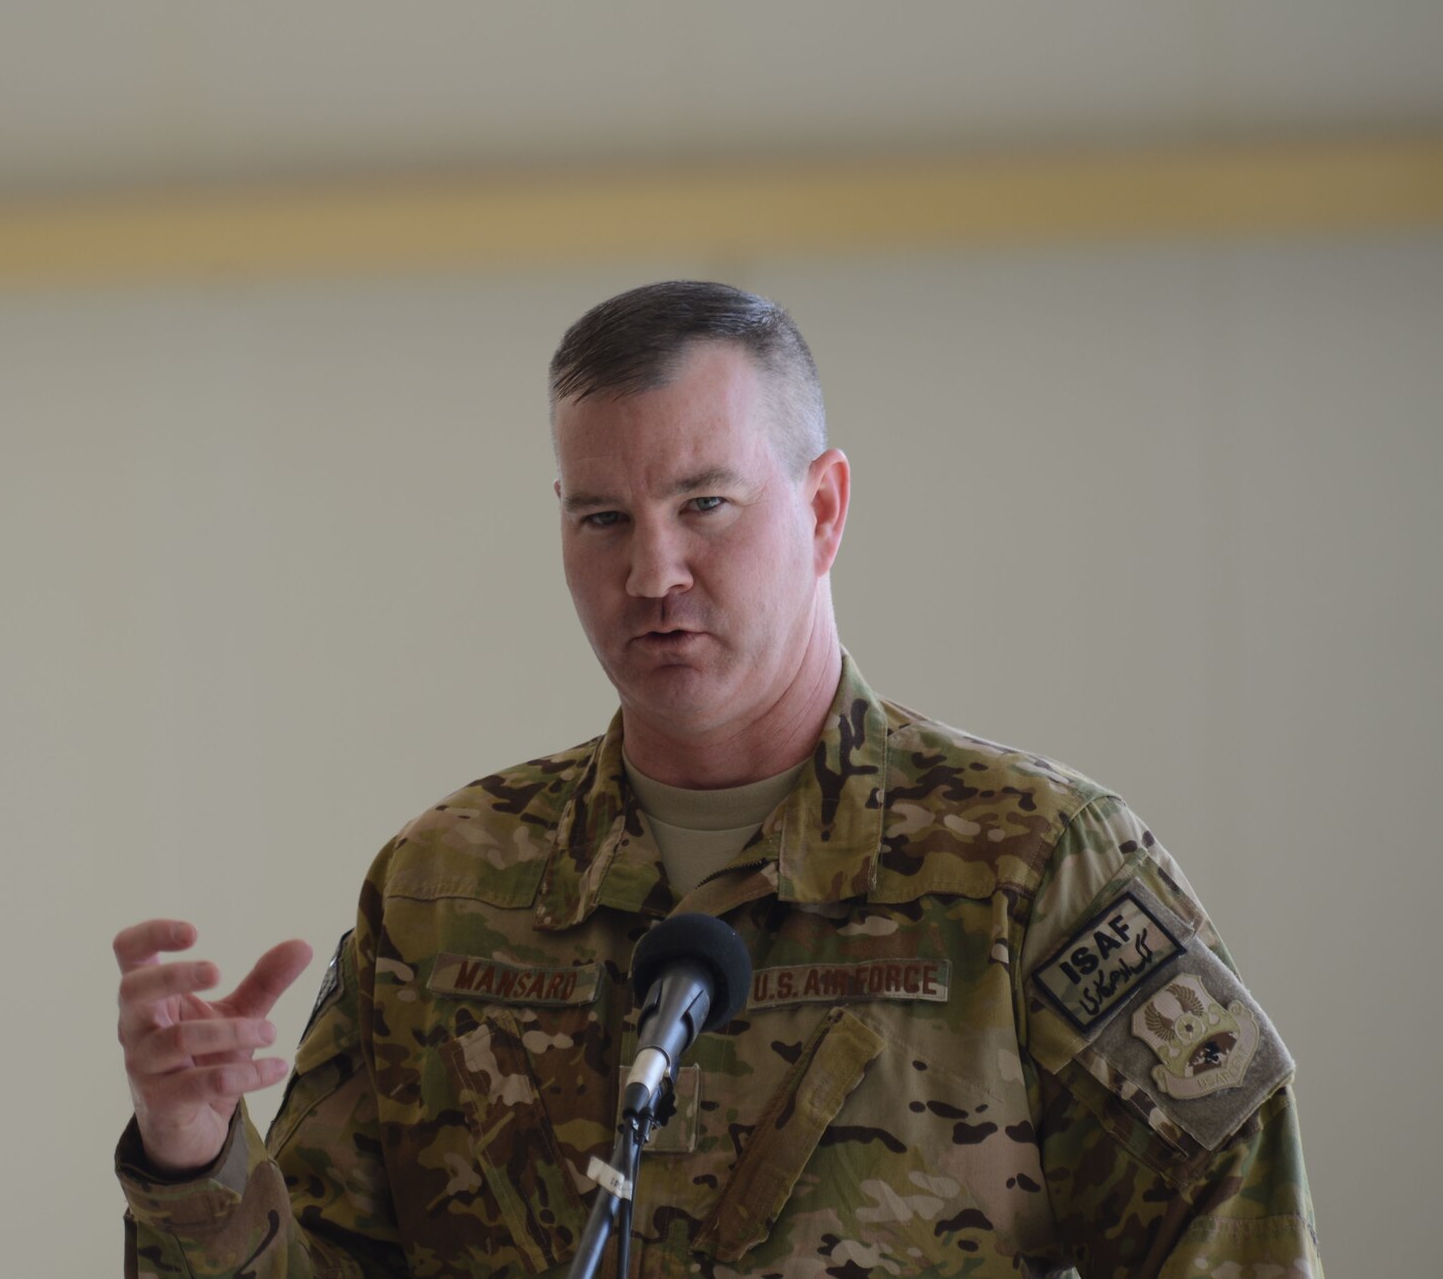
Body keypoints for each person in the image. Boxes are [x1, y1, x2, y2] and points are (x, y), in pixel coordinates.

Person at [111, 282, 1322, 1277]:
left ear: (823, 507)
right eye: (601, 520)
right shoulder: (446, 886)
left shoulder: (1030, 863)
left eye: (704, 505)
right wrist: (192, 1150)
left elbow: (1229, 1236)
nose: (652, 572)